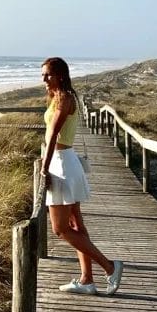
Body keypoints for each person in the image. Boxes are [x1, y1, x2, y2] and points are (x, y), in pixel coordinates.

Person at [41, 57, 124, 296]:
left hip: (62, 165)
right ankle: (87, 280)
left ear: (60, 75)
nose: (44, 79)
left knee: (60, 229)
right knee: (76, 224)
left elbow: (54, 136)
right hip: (65, 163)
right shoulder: (58, 97)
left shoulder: (65, 99)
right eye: (43, 75)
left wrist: (44, 169)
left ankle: (110, 267)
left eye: (48, 74)